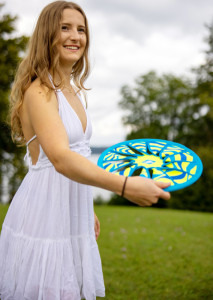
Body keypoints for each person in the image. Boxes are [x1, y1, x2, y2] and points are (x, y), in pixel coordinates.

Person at [0, 1, 170, 299]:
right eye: (64, 28)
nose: (75, 36)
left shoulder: (72, 91)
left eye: (81, 29)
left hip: (70, 208)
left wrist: (85, 206)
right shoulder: (40, 91)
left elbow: (77, 152)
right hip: (45, 211)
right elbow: (61, 159)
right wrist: (126, 186)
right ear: (46, 35)